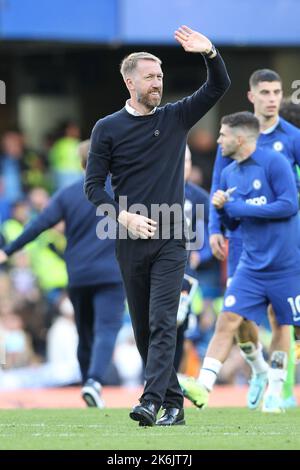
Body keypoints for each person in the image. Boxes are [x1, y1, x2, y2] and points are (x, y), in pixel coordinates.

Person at [85, 25, 230, 426]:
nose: (157, 84)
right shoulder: (107, 128)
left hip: (172, 239)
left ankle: (150, 401)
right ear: (129, 81)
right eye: (150, 77)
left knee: (165, 320)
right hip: (128, 239)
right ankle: (175, 405)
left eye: (161, 77)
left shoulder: (175, 117)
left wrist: (210, 53)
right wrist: (122, 216)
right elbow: (93, 186)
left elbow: (218, 86)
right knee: (144, 330)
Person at [181, 111, 300, 413]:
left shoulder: (275, 163)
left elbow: (288, 205)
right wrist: (222, 214)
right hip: (250, 262)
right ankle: (203, 385)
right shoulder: (230, 173)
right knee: (228, 319)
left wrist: (237, 206)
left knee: (281, 324)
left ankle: (275, 390)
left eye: (222, 134)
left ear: (240, 137)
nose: (218, 140)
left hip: (285, 264)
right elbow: (235, 223)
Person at [0, 140, 125, 408]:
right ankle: (93, 382)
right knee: (107, 329)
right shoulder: (121, 191)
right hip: (112, 274)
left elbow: (39, 225)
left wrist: (8, 250)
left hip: (78, 275)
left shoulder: (68, 194)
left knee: (84, 331)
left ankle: (86, 384)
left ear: (80, 164)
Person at [207, 69, 300, 410]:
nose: (272, 98)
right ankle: (259, 369)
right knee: (240, 318)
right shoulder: (233, 136)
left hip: (281, 243)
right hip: (242, 239)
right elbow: (218, 186)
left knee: (280, 318)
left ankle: (280, 390)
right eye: (265, 92)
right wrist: (215, 229)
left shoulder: (292, 137)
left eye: (277, 92)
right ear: (252, 97)